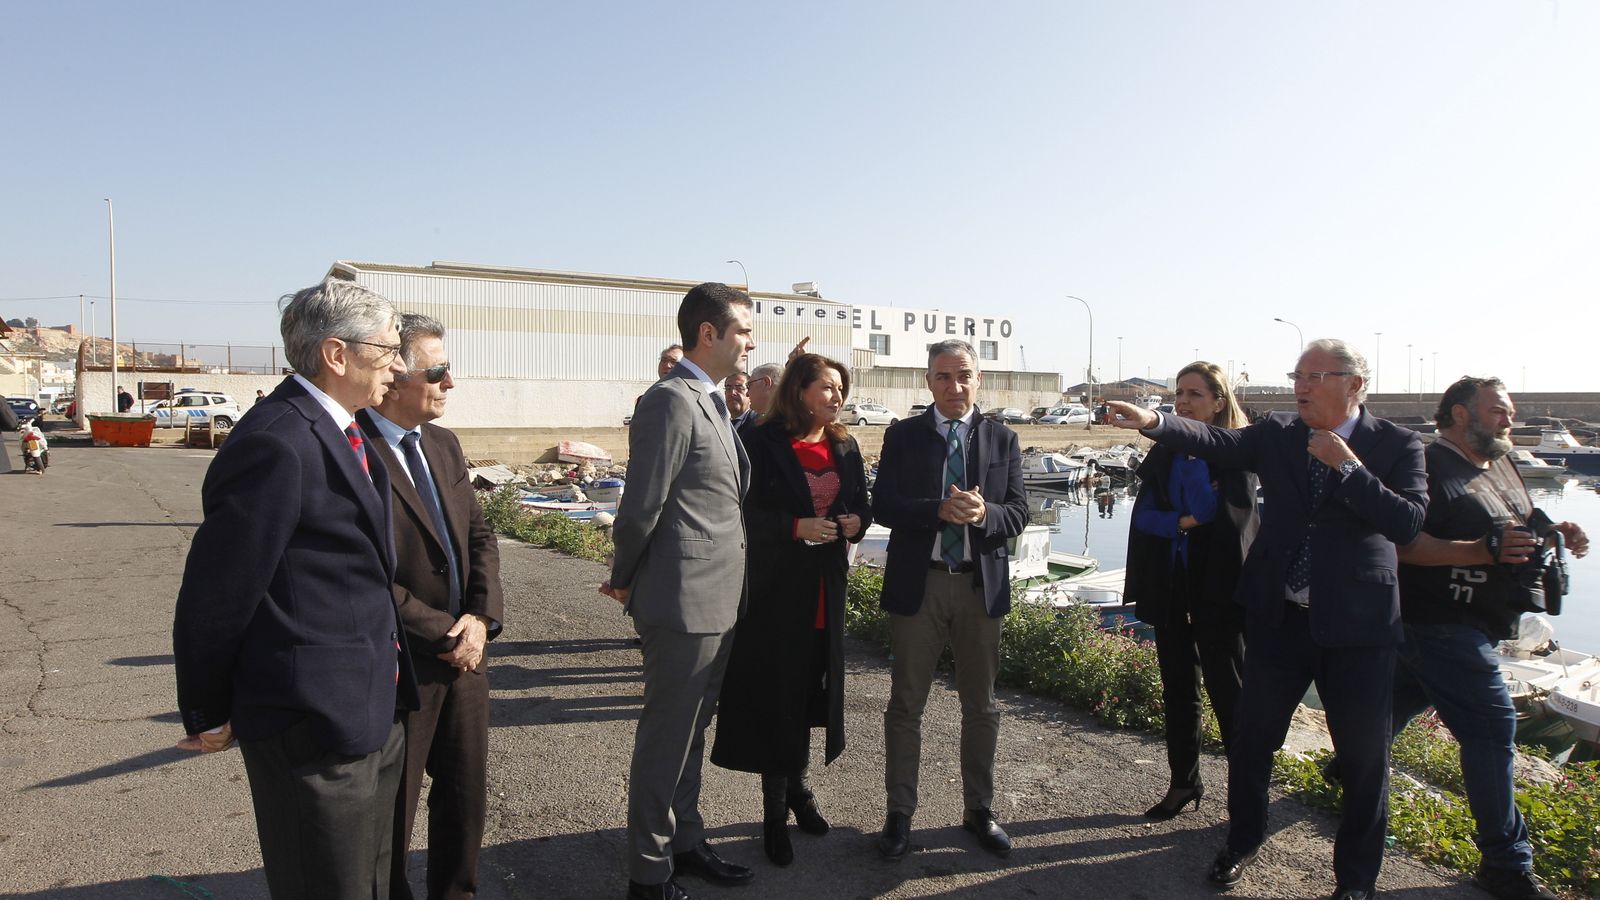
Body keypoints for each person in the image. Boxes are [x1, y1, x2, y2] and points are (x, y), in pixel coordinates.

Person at [1107, 339, 1426, 900]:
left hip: (1357, 628)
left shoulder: (1397, 444)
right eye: (1296, 375)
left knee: (1363, 760)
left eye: (1314, 376)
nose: (1300, 386)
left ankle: (1355, 881)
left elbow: (1405, 523)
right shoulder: (1279, 432)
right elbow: (1217, 439)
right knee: (1252, 741)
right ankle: (1242, 839)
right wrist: (1155, 420)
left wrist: (1349, 469)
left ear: (1353, 384)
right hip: (1278, 618)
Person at [172, 279, 418, 899]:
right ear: (337, 355)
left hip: (370, 707)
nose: (400, 364)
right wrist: (208, 709)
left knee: (373, 882)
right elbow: (219, 593)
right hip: (310, 721)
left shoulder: (346, 430)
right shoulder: (276, 440)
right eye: (388, 349)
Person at [1327, 378, 1586, 900]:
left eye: (1508, 412)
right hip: (1438, 621)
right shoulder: (1426, 464)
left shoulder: (1501, 463)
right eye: (1498, 412)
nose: (1509, 421)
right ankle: (1505, 863)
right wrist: (1480, 551)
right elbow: (1396, 542)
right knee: (1493, 726)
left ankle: (1346, 768)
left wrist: (1557, 528)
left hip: (1480, 623)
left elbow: (1521, 519)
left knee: (1400, 700)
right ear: (1461, 415)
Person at [601, 282, 756, 900]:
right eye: (742, 330)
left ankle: (685, 841)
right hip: (684, 599)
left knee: (693, 732)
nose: (750, 342)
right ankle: (649, 872)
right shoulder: (671, 400)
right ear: (708, 333)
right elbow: (641, 506)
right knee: (668, 737)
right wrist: (623, 575)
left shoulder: (712, 400)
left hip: (718, 596)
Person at [358, 314, 505, 900]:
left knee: (464, 798)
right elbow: (362, 573)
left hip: (466, 655)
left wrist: (480, 618)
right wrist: (444, 630)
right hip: (403, 662)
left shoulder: (443, 444)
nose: (451, 383)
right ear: (393, 376)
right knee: (391, 812)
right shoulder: (354, 452)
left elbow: (479, 538)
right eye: (438, 371)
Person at [710, 353, 873, 866]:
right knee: (777, 697)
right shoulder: (759, 440)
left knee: (808, 692)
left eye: (841, 387)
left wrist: (854, 523)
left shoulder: (844, 444)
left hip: (825, 587)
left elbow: (863, 504)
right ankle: (773, 814)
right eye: (826, 386)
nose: (837, 396)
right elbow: (738, 512)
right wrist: (793, 527)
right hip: (775, 592)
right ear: (798, 389)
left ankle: (800, 791)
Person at [871, 339, 1029, 861]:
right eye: (943, 377)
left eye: (963, 376)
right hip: (922, 583)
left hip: (979, 586)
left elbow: (1019, 513)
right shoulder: (903, 436)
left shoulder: (1003, 438)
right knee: (906, 704)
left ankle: (978, 809)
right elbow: (885, 505)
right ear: (928, 381)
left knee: (981, 705)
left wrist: (984, 515)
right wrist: (937, 509)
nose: (954, 387)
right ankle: (900, 813)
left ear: (978, 379)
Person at [1124, 362, 1258, 821]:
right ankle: (1184, 782)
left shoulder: (1236, 453)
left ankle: (1246, 802)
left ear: (1219, 402)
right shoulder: (1165, 454)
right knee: (1179, 692)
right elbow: (1145, 519)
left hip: (1218, 595)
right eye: (1179, 393)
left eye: (1195, 394)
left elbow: (1222, 515)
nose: (1182, 401)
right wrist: (1181, 522)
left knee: (1230, 696)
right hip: (1171, 589)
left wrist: (1197, 485)